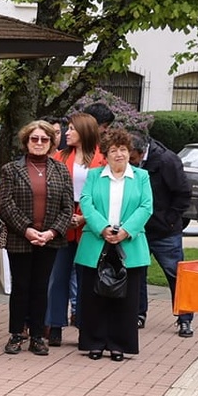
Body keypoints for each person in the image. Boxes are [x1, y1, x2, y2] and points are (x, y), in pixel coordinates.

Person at [75, 125, 153, 360]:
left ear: (129, 152)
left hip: (129, 244)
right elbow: (86, 202)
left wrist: (126, 230)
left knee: (126, 299)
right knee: (93, 296)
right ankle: (95, 342)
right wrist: (103, 228)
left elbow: (146, 206)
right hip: (97, 241)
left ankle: (119, 344)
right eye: (113, 151)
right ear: (105, 155)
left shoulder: (142, 177)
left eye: (123, 149)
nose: (119, 154)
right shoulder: (94, 175)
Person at [0, 120, 73, 355]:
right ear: (26, 141)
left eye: (44, 139)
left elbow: (67, 207)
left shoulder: (60, 169)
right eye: (34, 139)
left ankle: (38, 336)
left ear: (51, 142)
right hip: (20, 238)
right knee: (20, 287)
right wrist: (28, 229)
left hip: (50, 239)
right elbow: (5, 204)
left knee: (41, 288)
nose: (39, 143)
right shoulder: (11, 169)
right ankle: (16, 334)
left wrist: (50, 232)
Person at [46, 113, 103, 345]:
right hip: (63, 221)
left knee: (86, 278)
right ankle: (55, 325)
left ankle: (84, 327)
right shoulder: (60, 156)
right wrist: (65, 215)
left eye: (71, 129)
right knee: (57, 276)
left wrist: (85, 218)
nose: (66, 133)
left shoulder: (102, 158)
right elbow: (53, 190)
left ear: (85, 131)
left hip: (89, 222)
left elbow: (104, 195)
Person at [133, 126, 195, 337]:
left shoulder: (168, 161)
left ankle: (185, 318)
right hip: (138, 229)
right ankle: (138, 314)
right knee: (137, 273)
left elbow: (184, 194)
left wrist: (169, 220)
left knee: (176, 275)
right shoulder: (132, 160)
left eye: (131, 156)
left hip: (165, 230)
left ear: (141, 151)